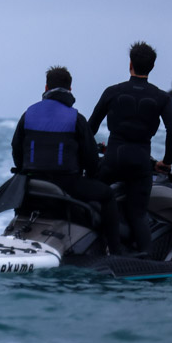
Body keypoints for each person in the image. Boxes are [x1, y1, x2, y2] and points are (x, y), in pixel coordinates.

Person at [12, 66, 124, 255]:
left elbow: (16, 149)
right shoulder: (76, 118)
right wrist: (92, 175)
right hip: (65, 183)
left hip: (31, 182)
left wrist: (25, 170)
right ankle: (115, 251)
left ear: (46, 87)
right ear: (70, 90)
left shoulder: (28, 114)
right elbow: (90, 159)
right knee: (107, 195)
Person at [88, 41, 172, 254]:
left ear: (130, 64)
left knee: (89, 197)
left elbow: (90, 127)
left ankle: (93, 246)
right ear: (152, 66)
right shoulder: (161, 97)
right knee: (137, 214)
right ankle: (144, 259)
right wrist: (166, 162)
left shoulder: (113, 91)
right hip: (140, 162)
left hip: (113, 159)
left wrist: (86, 150)